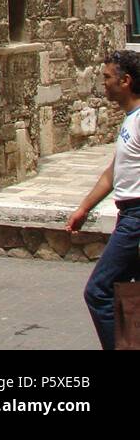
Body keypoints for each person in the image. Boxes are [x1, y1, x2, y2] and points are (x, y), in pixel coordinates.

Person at [68, 50, 140, 350]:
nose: (103, 84)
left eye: (107, 78)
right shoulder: (130, 121)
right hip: (129, 216)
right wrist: (83, 208)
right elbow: (112, 174)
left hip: (136, 220)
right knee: (129, 294)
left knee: (98, 291)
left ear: (125, 81)